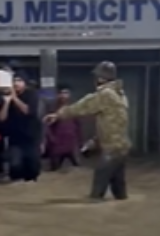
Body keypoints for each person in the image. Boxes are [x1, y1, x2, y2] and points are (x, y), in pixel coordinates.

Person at [45, 61, 129, 201]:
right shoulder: (120, 94)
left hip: (111, 149)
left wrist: (58, 115)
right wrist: (96, 140)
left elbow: (83, 106)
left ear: (101, 78)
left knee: (96, 195)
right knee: (120, 193)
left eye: (96, 77)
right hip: (121, 147)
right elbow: (115, 122)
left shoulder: (105, 94)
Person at [0, 74, 41, 183]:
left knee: (32, 166)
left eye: (19, 80)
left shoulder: (31, 95)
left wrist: (15, 98)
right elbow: (1, 118)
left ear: (24, 83)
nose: (16, 83)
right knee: (15, 165)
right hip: (15, 138)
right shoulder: (7, 96)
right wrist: (7, 103)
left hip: (30, 137)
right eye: (14, 81)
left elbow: (28, 111)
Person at [44, 86, 83, 171]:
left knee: (78, 168)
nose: (64, 96)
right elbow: (47, 126)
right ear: (58, 94)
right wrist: (52, 139)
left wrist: (80, 141)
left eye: (66, 93)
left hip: (72, 143)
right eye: (62, 93)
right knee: (55, 170)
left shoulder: (73, 108)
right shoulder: (52, 108)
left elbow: (78, 125)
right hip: (57, 145)